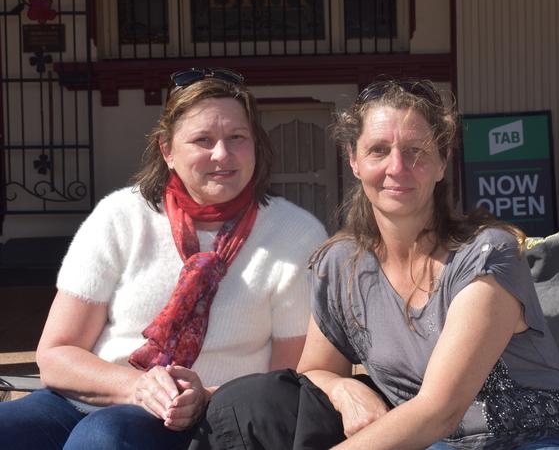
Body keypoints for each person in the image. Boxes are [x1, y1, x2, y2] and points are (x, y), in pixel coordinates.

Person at [190, 78, 559, 450]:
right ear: (353, 160)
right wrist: (344, 390)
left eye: (415, 151)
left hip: (538, 439)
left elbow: (439, 410)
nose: (396, 167)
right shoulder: (341, 265)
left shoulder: (485, 255)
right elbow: (315, 369)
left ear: (442, 162)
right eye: (378, 150)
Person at [0, 68, 328, 450]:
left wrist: (201, 394)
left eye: (237, 138)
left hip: (212, 413)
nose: (222, 154)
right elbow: (56, 354)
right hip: (95, 396)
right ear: (167, 150)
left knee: (104, 438)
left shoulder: (295, 234)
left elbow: (289, 378)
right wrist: (137, 386)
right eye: (202, 140)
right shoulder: (120, 216)